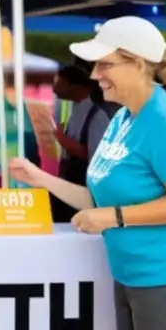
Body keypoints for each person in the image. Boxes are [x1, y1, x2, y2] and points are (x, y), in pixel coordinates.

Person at [9, 17, 166, 330]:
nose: (95, 75)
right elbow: (98, 198)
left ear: (139, 65)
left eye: (105, 64)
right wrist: (41, 178)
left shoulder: (164, 119)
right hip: (133, 277)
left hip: (165, 277)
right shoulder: (124, 117)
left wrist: (116, 217)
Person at [49, 64, 111, 222]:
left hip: (83, 190)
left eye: (59, 82)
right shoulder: (76, 111)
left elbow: (93, 156)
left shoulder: (97, 117)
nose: (54, 88)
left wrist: (61, 138)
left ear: (74, 85)